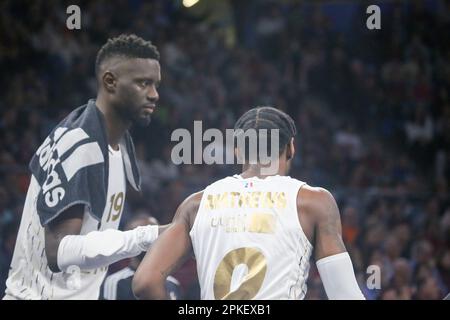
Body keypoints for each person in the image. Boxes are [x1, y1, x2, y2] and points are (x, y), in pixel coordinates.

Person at [132, 107, 366, 300]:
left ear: (237, 151)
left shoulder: (196, 203)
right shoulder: (312, 202)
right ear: (291, 148)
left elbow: (145, 281)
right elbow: (344, 293)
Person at [3, 34, 166, 300]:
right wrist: (150, 235)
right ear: (110, 82)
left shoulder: (116, 146)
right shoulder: (79, 144)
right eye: (143, 83)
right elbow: (59, 251)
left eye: (156, 85)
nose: (154, 94)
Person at [100, 214, 181, 300]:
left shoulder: (173, 284)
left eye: (151, 234)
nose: (147, 240)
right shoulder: (115, 282)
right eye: (142, 235)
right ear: (129, 241)